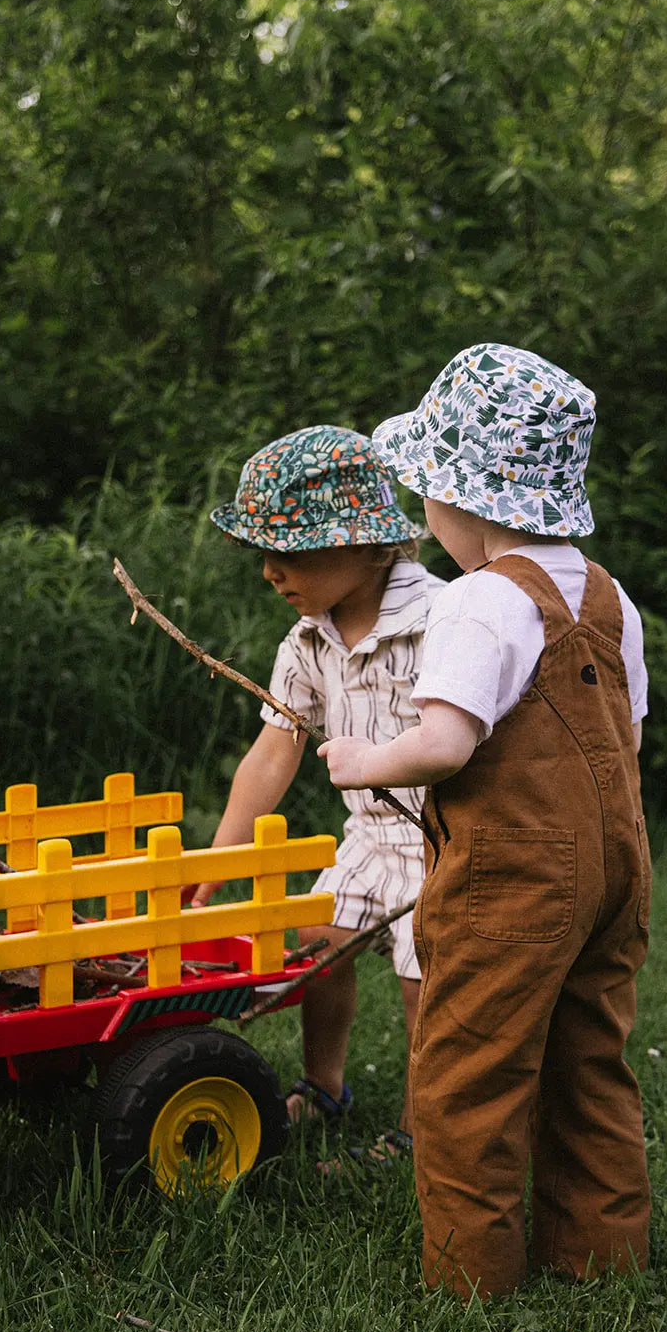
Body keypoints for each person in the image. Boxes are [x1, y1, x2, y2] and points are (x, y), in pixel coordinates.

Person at [317, 343, 652, 1298]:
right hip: (615, 864)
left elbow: (445, 744)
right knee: (591, 1060)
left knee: (469, 1069)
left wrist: (361, 761)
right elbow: (627, 730)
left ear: (461, 502)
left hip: (513, 875)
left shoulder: (477, 602)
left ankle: (473, 1282)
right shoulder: (609, 597)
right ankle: (600, 1256)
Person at [185, 423, 443, 1157]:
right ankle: (325, 1085)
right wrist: (218, 859)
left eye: (289, 553)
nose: (271, 571)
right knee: (317, 944)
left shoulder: (441, 622)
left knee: (422, 978)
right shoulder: (306, 640)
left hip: (443, 837)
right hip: (369, 834)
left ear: (365, 545)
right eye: (262, 554)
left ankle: (426, 1130)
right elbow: (275, 748)